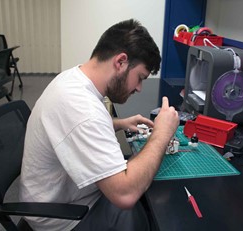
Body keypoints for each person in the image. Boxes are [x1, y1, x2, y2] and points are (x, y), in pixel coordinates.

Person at [19, 19, 179, 231]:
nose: (140, 88)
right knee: (149, 206)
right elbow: (125, 195)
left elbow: (76, 127)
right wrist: (162, 133)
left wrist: (118, 123)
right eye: (140, 77)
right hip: (62, 217)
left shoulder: (74, 79)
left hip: (67, 195)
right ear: (121, 61)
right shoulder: (82, 108)